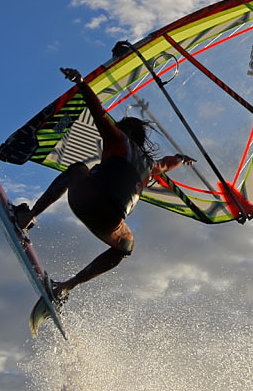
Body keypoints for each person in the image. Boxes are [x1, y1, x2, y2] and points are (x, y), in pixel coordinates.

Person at [12, 67, 194, 303]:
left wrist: (81, 83)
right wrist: (181, 159)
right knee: (126, 246)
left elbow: (98, 113)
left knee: (78, 169)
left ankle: (29, 216)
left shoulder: (118, 139)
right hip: (109, 222)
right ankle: (67, 286)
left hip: (87, 199)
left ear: (125, 130)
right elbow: (167, 164)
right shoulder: (150, 166)